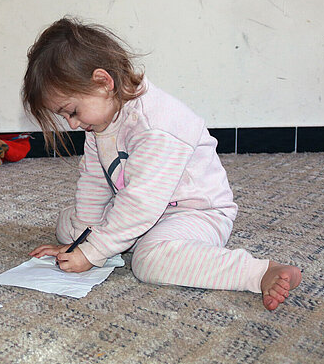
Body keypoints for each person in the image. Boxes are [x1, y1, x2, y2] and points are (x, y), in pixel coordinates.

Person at [22, 17, 301, 311]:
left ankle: (258, 272)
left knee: (149, 261)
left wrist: (92, 252)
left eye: (72, 112)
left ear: (103, 82)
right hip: (142, 209)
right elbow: (93, 181)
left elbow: (141, 203)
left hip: (197, 213)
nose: (73, 123)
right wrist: (82, 240)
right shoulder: (100, 121)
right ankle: (117, 240)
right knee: (69, 225)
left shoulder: (156, 126)